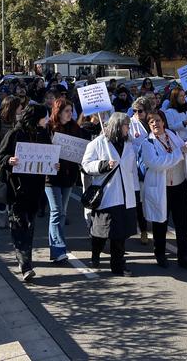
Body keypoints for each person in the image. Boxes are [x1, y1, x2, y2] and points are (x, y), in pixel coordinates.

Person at [0, 104, 57, 281]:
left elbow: (48, 157)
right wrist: (9, 160)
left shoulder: (43, 134)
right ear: (35, 117)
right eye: (44, 117)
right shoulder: (15, 134)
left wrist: (53, 165)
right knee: (19, 224)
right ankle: (25, 265)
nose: (47, 120)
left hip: (36, 189)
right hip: (17, 189)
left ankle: (25, 258)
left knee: (30, 226)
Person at [81, 113, 139, 276]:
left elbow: (132, 169)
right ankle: (95, 254)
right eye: (126, 125)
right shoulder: (98, 143)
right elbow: (85, 165)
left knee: (119, 234)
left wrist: (135, 191)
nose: (129, 128)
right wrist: (103, 165)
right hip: (108, 195)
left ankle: (118, 265)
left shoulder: (128, 144)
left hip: (126, 195)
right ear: (118, 126)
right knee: (102, 232)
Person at [141, 111, 187, 269]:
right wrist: (179, 153)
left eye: (158, 120)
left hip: (179, 185)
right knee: (160, 223)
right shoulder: (147, 143)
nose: (155, 124)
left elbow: (183, 149)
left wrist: (186, 147)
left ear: (163, 122)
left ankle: (184, 256)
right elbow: (156, 163)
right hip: (162, 188)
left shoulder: (172, 134)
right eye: (151, 122)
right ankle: (160, 254)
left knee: (182, 223)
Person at [46, 98, 87, 262]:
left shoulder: (74, 127)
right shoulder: (48, 128)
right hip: (51, 177)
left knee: (61, 213)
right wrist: (50, 162)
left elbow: (82, 145)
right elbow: (42, 150)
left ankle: (56, 247)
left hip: (68, 176)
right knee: (56, 211)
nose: (70, 114)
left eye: (71, 110)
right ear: (58, 112)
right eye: (67, 111)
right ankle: (58, 249)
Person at [0, 95, 24, 228]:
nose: (22, 108)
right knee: (3, 189)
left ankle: (12, 215)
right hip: (3, 161)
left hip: (17, 161)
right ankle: (1, 212)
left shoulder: (21, 121)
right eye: (19, 106)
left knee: (15, 189)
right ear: (12, 107)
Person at [129, 96, 152, 244]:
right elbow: (129, 144)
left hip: (153, 166)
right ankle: (143, 230)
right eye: (135, 110)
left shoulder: (153, 122)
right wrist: (142, 149)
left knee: (152, 200)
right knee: (139, 201)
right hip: (138, 169)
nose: (137, 113)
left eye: (140, 111)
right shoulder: (130, 123)